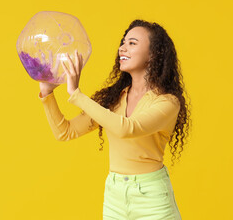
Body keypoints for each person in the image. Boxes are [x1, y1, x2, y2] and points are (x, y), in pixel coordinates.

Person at [38, 19, 191, 220]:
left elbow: (128, 129)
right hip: (114, 196)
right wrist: (47, 94)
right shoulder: (114, 99)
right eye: (123, 42)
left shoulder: (168, 102)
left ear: (154, 54)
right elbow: (65, 132)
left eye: (132, 43)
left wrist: (76, 94)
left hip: (151, 197)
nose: (122, 48)